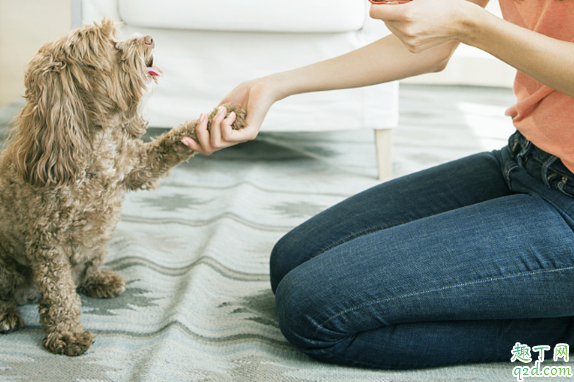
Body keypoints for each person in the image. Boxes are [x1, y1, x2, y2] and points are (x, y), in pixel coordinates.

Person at [181, 0, 574, 369]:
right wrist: (274, 85)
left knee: (315, 314)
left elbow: (465, 22)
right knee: (290, 260)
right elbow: (432, 46)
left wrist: (473, 25)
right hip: (527, 158)